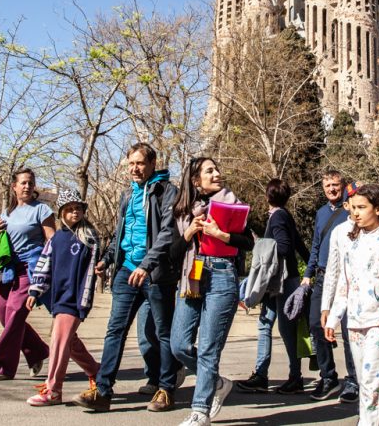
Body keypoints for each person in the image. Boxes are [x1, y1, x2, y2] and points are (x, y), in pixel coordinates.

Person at [75, 142, 181, 413]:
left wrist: (146, 265)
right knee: (115, 330)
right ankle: (103, 390)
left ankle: (166, 389)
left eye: (140, 163)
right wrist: (108, 258)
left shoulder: (167, 192)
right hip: (126, 271)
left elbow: (168, 233)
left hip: (156, 274)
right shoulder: (126, 195)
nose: (135, 168)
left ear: (152, 164)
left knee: (163, 333)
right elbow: (121, 234)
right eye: (131, 163)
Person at [169, 157, 255, 426]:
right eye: (210, 171)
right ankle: (217, 382)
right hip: (191, 276)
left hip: (221, 276)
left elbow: (248, 243)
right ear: (196, 180)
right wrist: (189, 232)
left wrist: (221, 235)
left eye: (217, 169)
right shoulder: (183, 212)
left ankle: (200, 411)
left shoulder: (232, 204)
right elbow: (172, 254)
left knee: (208, 348)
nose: (217, 173)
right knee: (179, 345)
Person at [325, 183, 379, 426]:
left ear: (378, 209)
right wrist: (333, 317)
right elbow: (344, 282)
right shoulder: (349, 240)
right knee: (366, 382)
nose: (355, 213)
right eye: (352, 208)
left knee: (372, 384)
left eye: (362, 207)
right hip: (354, 320)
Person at [25, 188, 101, 407]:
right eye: (69, 209)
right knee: (68, 340)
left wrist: (85, 298)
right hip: (57, 297)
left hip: (75, 298)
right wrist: (35, 290)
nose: (74, 212)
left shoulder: (89, 237)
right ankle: (96, 371)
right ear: (61, 213)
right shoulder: (56, 238)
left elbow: (93, 268)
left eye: (78, 208)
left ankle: (53, 390)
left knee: (59, 340)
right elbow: (44, 265)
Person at [237, 178, 310, 394]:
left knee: (285, 329)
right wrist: (311, 268)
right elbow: (298, 243)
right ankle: (262, 375)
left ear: (268, 196)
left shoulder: (277, 217)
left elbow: (286, 247)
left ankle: (293, 377)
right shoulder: (284, 215)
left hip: (281, 280)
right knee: (266, 324)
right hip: (280, 279)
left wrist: (261, 245)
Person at [0, 167, 53, 381]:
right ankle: (38, 351)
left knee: (14, 313)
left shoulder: (42, 210)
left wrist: (48, 268)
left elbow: (52, 239)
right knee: (4, 314)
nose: (28, 186)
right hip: (8, 270)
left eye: (31, 182)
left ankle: (4, 368)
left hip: (29, 268)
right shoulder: (7, 212)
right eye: (23, 182)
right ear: (14, 187)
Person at [302, 170, 359, 403]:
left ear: (342, 186)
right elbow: (316, 245)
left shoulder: (354, 209)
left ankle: (354, 380)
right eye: (327, 186)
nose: (331, 189)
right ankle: (329, 376)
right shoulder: (320, 213)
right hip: (324, 276)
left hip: (347, 276)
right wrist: (307, 274)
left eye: (335, 185)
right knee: (316, 323)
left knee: (347, 330)